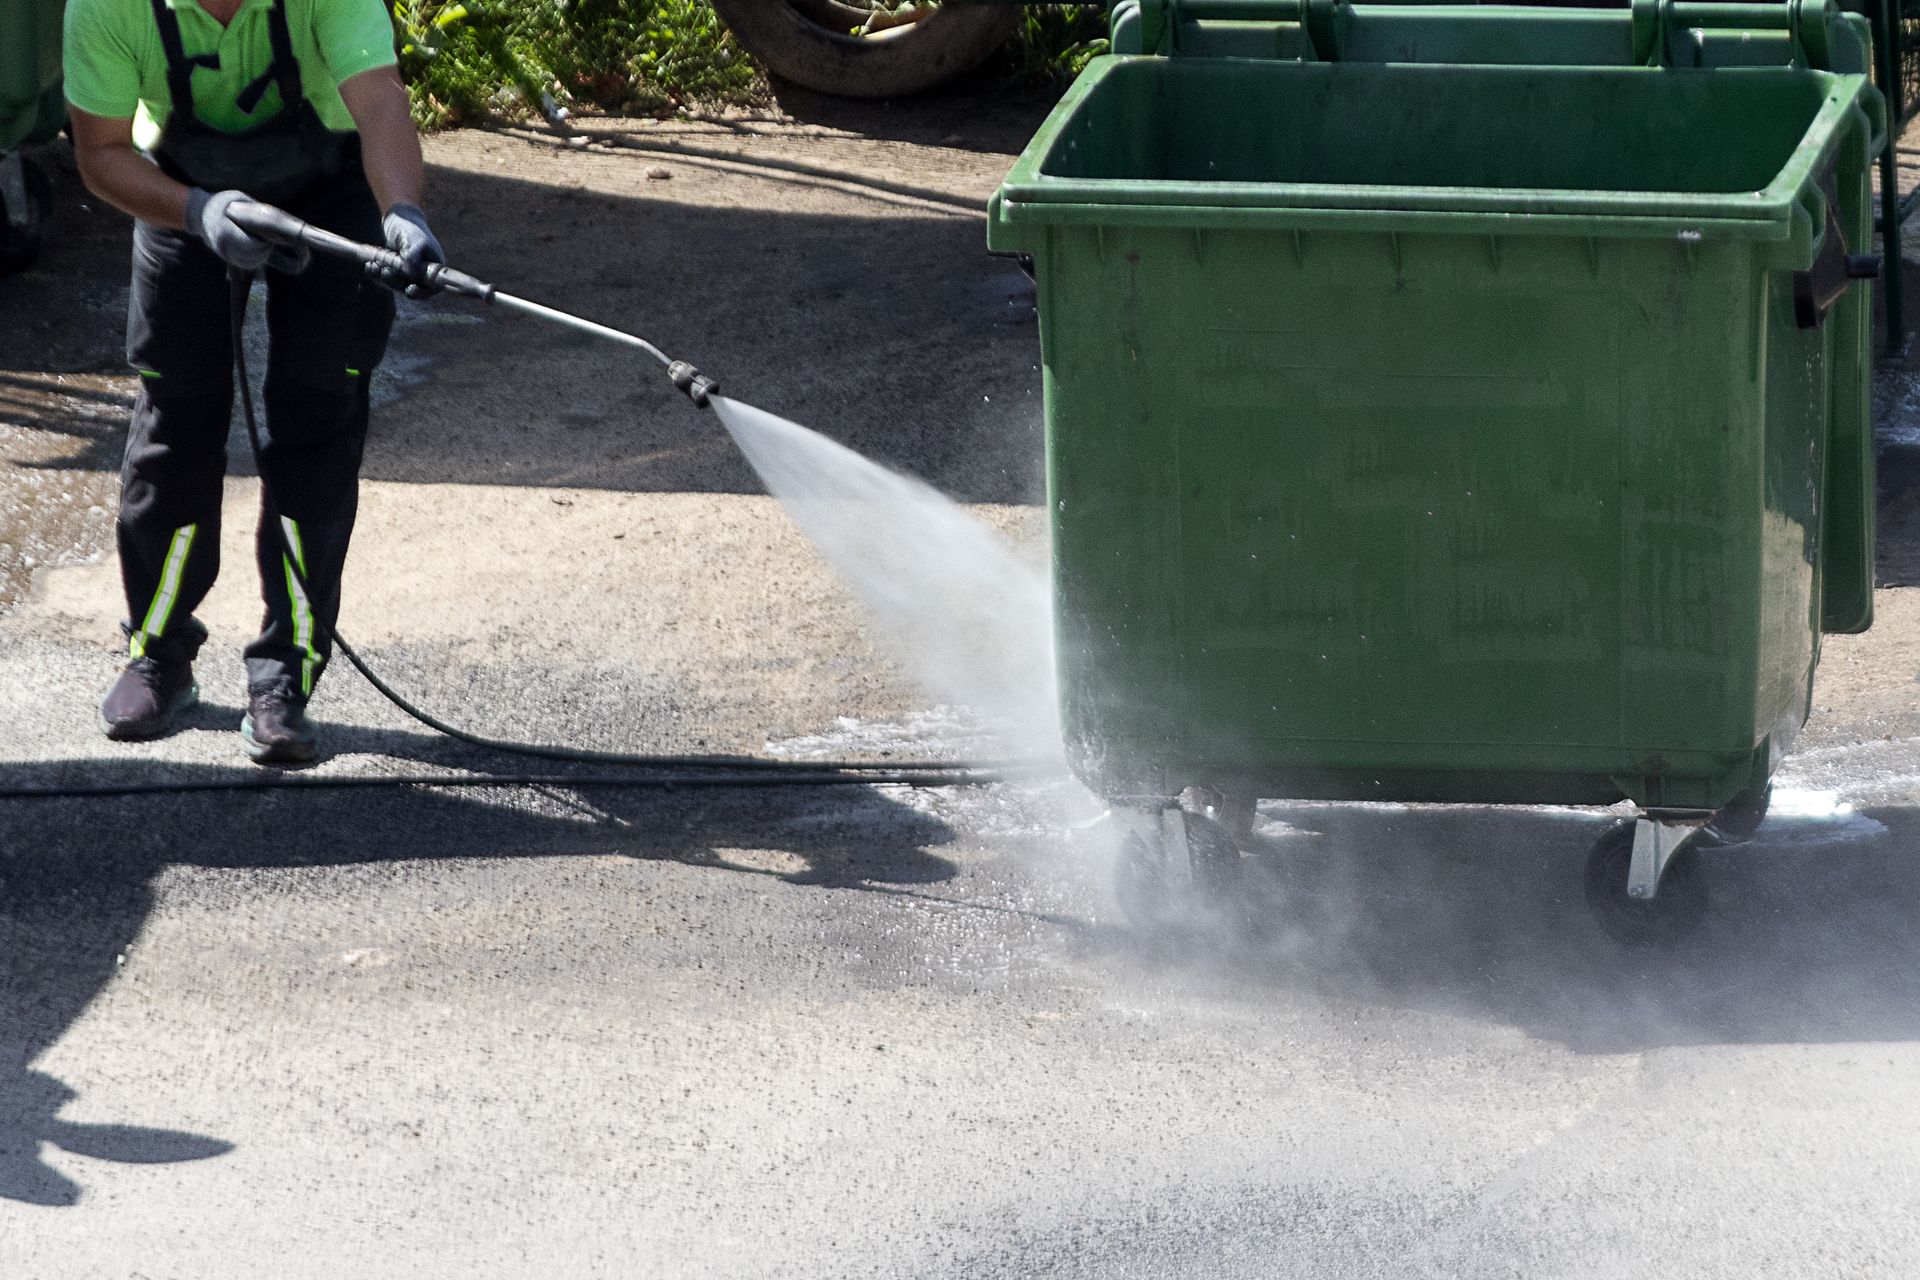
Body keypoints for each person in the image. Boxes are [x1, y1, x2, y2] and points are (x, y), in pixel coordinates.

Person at [62, 0, 443, 764]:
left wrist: (402, 211)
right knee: (176, 420)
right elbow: (100, 152)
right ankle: (158, 655)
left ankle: (286, 675)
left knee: (318, 421)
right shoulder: (106, 5)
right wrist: (199, 212)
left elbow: (377, 100)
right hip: (177, 197)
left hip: (333, 192)